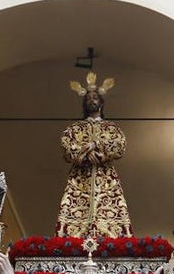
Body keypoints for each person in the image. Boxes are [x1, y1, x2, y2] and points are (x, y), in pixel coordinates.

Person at [54, 72, 133, 238]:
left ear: (101, 103)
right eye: (88, 98)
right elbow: (66, 146)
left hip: (106, 179)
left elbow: (120, 145)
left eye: (95, 97)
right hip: (79, 179)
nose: (91, 100)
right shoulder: (75, 128)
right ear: (84, 104)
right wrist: (86, 151)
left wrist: (97, 147)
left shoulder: (111, 128)